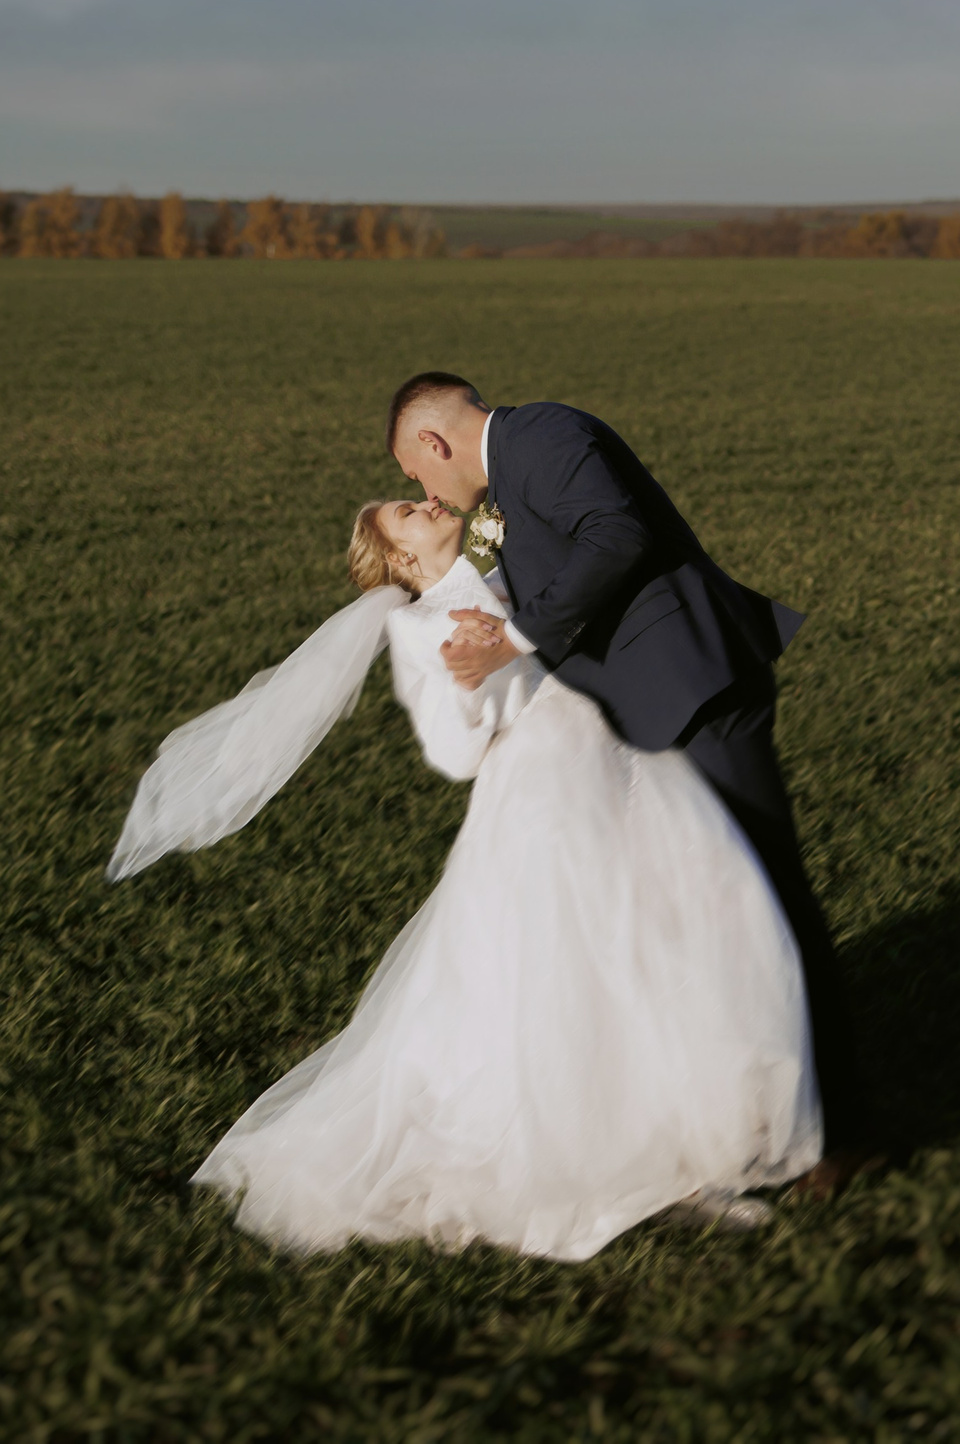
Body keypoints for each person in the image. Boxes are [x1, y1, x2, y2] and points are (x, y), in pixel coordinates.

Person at [110, 495, 818, 1260]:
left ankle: (683, 1152)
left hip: (627, 761)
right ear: (402, 562)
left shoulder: (511, 567)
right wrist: (466, 676)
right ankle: (611, 1166)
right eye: (405, 514)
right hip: (549, 796)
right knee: (580, 976)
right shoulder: (417, 627)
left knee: (667, 945)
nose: (424, 502)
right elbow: (453, 753)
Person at [387, 373, 874, 1193]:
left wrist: (512, 635)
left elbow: (619, 536)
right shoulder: (505, 487)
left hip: (695, 689)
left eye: (414, 474)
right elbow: (514, 571)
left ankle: (845, 1132)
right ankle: (752, 1111)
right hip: (652, 707)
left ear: (433, 443)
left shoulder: (541, 435)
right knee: (717, 912)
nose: (422, 489)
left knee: (769, 894)